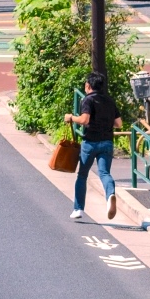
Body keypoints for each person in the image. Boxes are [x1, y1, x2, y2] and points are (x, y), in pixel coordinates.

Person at [65, 71, 122, 220]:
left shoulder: (88, 100)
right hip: (107, 142)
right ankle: (110, 195)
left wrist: (71, 117)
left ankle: (78, 209)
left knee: (82, 175)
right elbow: (118, 123)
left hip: (90, 142)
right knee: (104, 173)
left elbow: (84, 120)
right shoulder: (109, 101)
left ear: (88, 85)